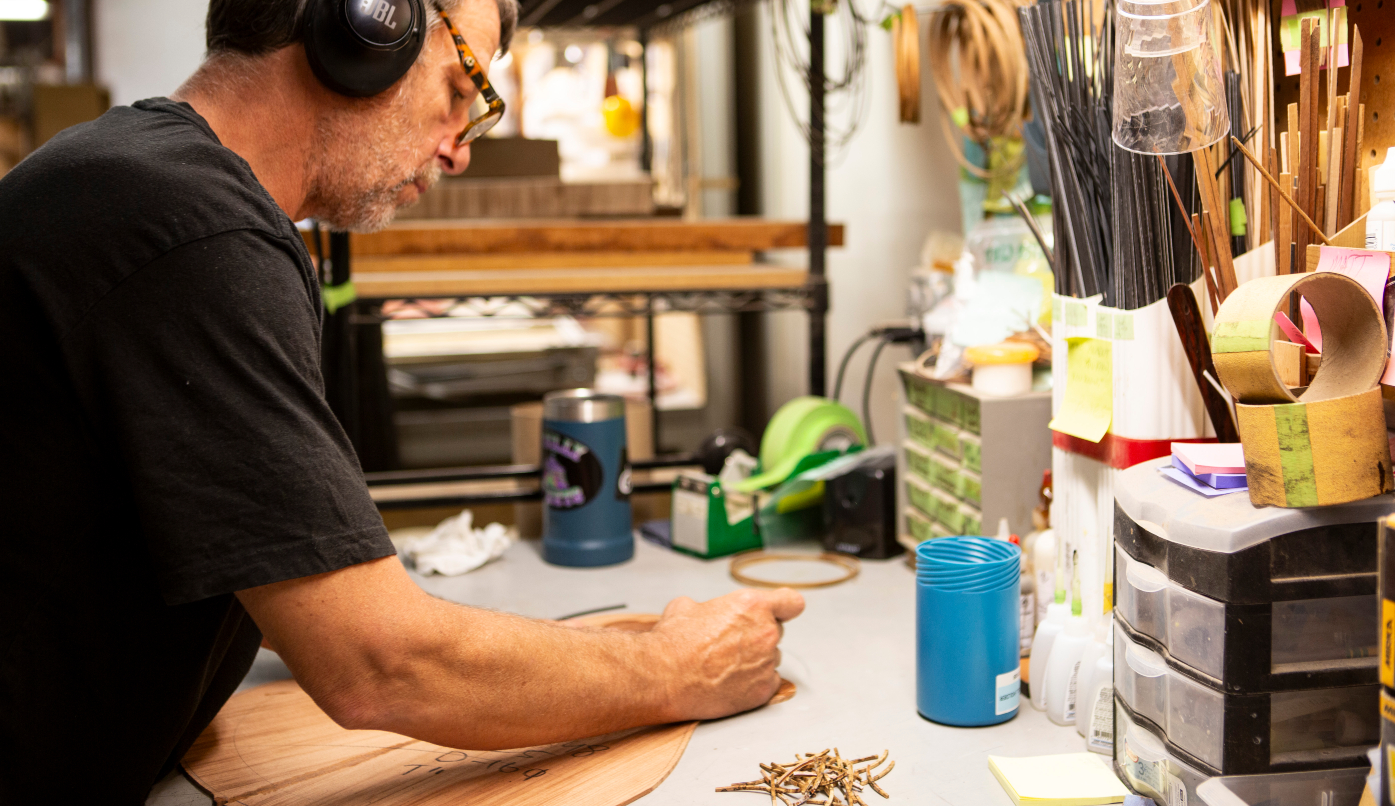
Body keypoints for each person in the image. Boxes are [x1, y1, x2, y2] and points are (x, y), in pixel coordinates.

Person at [0, 1, 803, 802]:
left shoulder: (139, 181)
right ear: (366, 26)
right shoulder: (188, 232)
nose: (458, 150)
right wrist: (675, 667)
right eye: (460, 88)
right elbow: (377, 666)